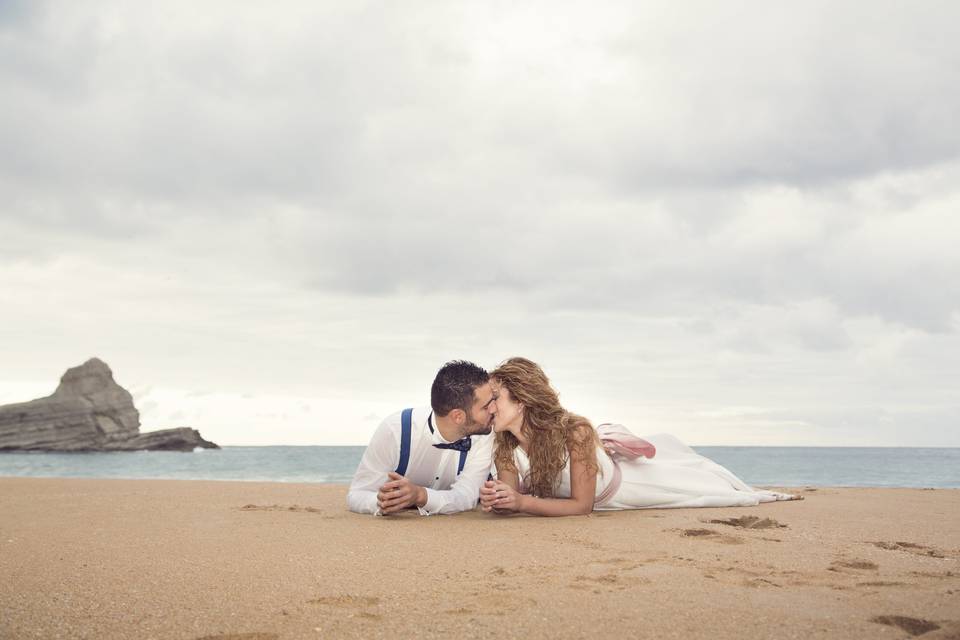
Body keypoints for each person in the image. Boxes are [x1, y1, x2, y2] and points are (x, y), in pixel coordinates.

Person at [480, 357, 799, 516]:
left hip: (631, 487)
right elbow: (511, 498)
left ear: (521, 400)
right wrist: (499, 499)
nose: (487, 405)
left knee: (707, 490)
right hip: (591, 501)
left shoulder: (574, 432)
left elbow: (582, 506)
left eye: (494, 396)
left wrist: (521, 501)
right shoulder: (504, 442)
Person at [347, 360, 497, 516]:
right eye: (487, 407)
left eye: (493, 400)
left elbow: (466, 496)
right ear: (458, 416)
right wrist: (384, 501)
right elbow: (357, 494)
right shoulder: (396, 431)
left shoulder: (484, 436)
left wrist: (420, 496)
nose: (494, 408)